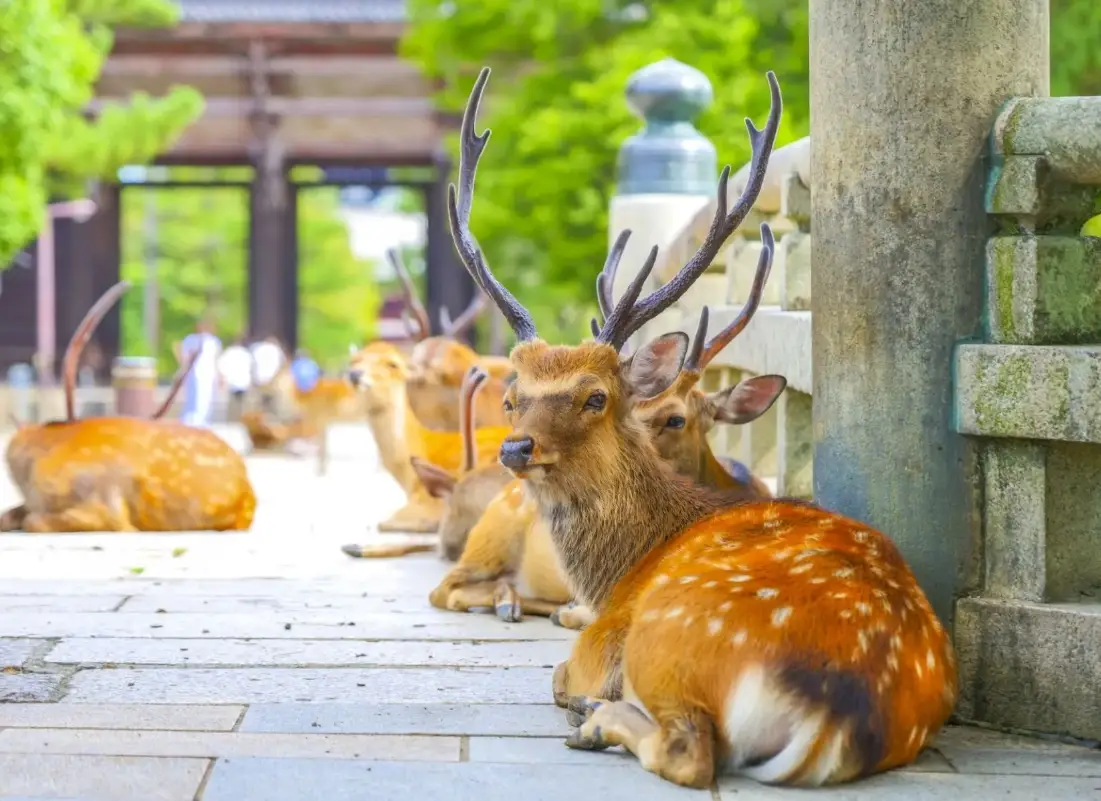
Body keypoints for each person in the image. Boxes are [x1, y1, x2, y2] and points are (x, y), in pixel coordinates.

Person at [176, 318, 223, 428]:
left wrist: (220, 376)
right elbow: (184, 358)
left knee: (208, 398)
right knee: (193, 397)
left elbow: (216, 359)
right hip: (193, 373)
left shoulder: (213, 341)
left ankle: (204, 420)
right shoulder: (190, 340)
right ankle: (191, 420)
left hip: (209, 373)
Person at [218, 336, 253, 421]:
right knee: (242, 403)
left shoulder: (228, 352)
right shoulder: (246, 353)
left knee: (232, 403)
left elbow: (221, 367)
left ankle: (232, 420)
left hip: (232, 381)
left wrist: (222, 380)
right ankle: (240, 419)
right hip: (244, 381)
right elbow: (251, 367)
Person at [250, 335, 286, 413]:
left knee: (257, 405)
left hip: (259, 380)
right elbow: (282, 365)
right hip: (272, 381)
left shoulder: (258, 349)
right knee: (273, 405)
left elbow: (252, 364)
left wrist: (253, 378)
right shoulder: (277, 350)